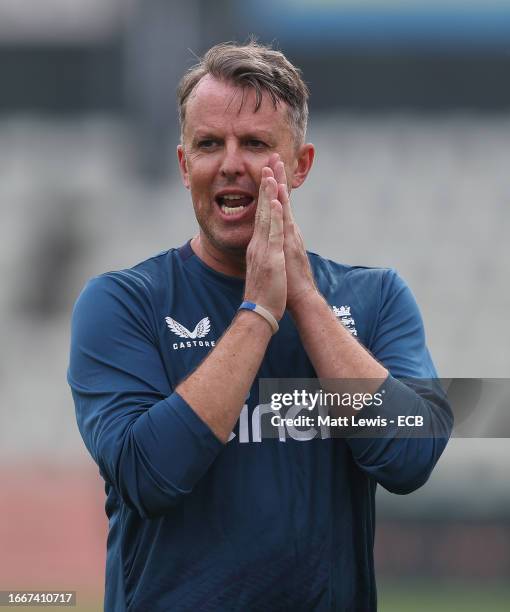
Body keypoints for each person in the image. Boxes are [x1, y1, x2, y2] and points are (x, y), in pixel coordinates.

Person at [68, 41, 453, 611]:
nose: (230, 163)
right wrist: (259, 313)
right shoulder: (123, 304)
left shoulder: (373, 299)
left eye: (254, 144)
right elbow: (149, 476)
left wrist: (305, 301)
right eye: (208, 144)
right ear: (183, 166)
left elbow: (409, 457)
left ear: (300, 164)